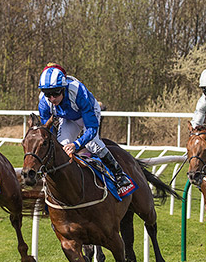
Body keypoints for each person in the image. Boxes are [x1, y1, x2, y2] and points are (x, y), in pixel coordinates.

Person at [37, 64, 134, 192]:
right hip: (68, 118)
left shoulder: (78, 92)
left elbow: (92, 128)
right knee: (61, 145)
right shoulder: (44, 102)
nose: (52, 98)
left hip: (88, 114)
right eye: (48, 94)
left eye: (55, 93)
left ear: (63, 89)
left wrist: (76, 144)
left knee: (92, 143)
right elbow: (47, 133)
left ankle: (119, 174)